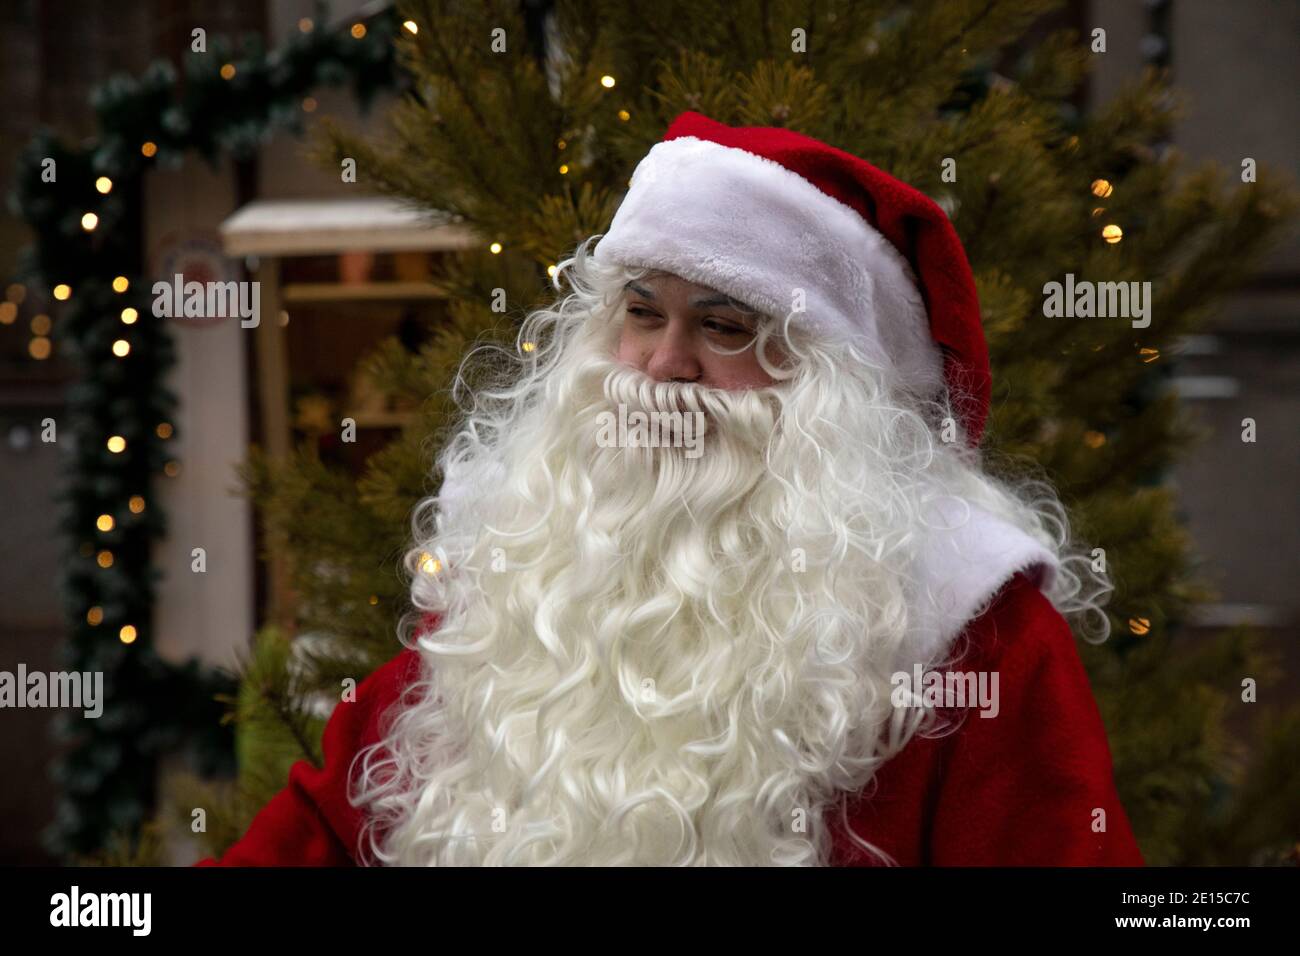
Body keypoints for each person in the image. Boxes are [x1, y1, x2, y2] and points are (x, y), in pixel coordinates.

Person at [196, 111, 1143, 867]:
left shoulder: (972, 630)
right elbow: (316, 835)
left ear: (835, 389)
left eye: (726, 327)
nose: (661, 366)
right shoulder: (528, 570)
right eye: (641, 313)